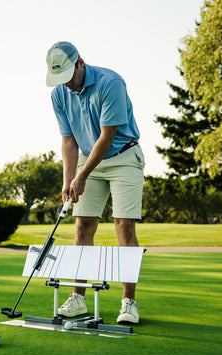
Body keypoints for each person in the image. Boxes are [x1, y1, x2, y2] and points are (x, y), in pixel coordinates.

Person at [45, 41, 145, 324]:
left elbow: (107, 137)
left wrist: (82, 176)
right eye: (59, 80)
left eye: (68, 77)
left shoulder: (110, 83)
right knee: (83, 225)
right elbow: (68, 140)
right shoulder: (59, 95)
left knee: (123, 224)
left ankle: (128, 303)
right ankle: (77, 298)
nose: (66, 85)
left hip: (123, 156)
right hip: (88, 159)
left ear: (80, 64)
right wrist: (69, 181)